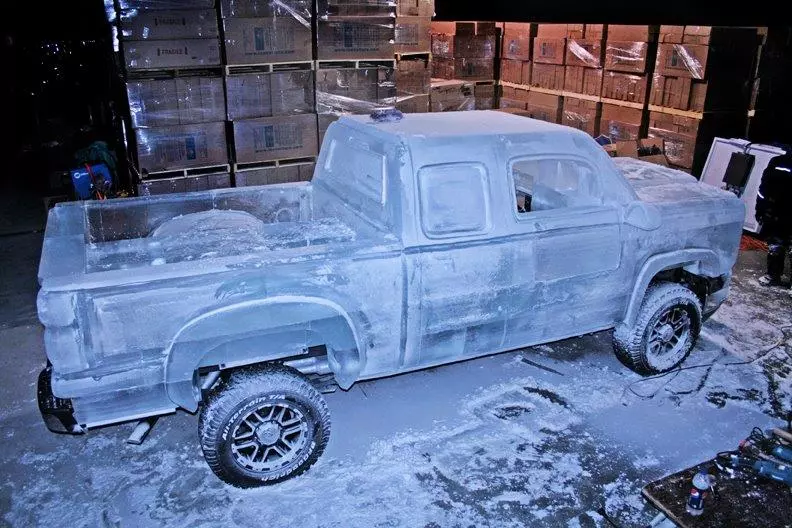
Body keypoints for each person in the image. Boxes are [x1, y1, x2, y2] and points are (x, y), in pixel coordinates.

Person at [755, 150, 792, 287]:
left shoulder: (778, 162)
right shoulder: (777, 161)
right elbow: (763, 189)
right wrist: (760, 209)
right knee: (775, 246)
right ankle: (773, 275)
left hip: (781, 214)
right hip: (775, 213)